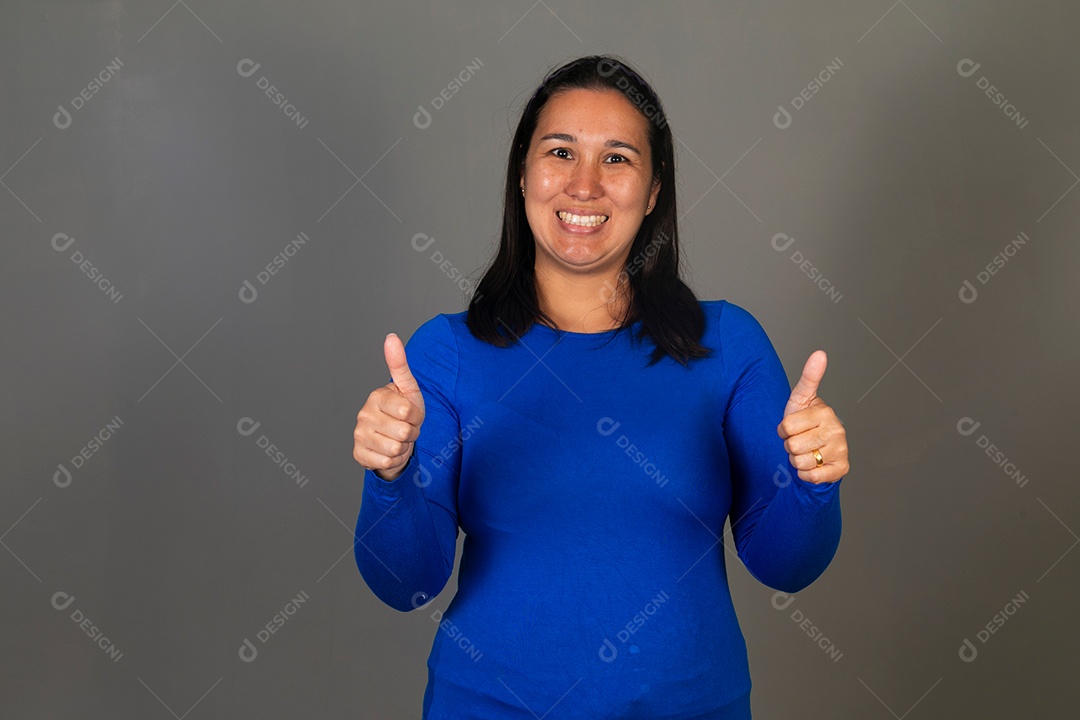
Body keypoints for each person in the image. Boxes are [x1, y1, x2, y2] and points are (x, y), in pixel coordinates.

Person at [352, 54, 849, 720]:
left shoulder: (727, 345)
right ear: (523, 174)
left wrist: (814, 482)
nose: (584, 186)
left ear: (652, 191)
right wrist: (392, 477)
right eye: (560, 152)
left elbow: (786, 565)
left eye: (617, 159)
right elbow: (404, 584)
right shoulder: (445, 356)